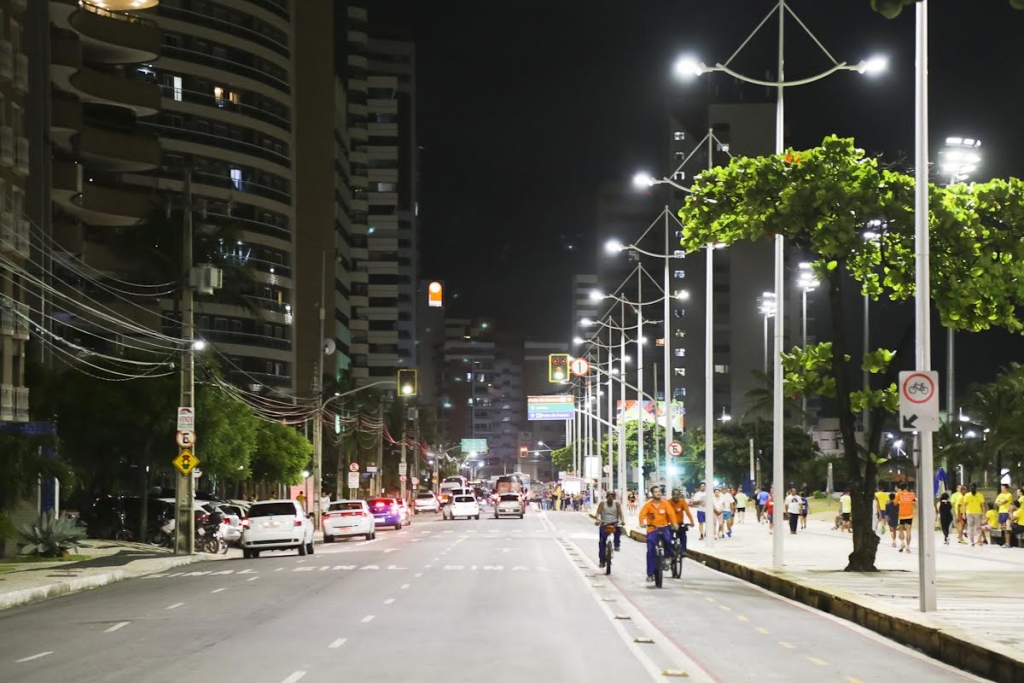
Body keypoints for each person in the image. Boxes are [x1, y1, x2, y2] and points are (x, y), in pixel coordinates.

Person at [638, 486, 679, 582]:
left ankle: (667, 558)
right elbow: (642, 515)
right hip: (652, 529)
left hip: (664, 528)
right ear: (652, 494)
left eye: (659, 491)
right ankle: (650, 573)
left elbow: (671, 514)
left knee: (669, 541)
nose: (658, 493)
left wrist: (675, 524)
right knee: (650, 550)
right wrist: (641, 523)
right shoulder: (648, 505)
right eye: (656, 492)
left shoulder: (665, 504)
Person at [595, 491, 624, 568]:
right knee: (602, 542)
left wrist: (623, 521)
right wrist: (597, 520)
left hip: (614, 523)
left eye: (612, 496)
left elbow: (621, 514)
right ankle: (601, 561)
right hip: (604, 524)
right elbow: (597, 513)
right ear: (606, 497)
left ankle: (617, 545)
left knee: (618, 531)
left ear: (614, 498)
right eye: (609, 496)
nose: (610, 498)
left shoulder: (617, 504)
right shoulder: (602, 504)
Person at [894, 482, 916, 553]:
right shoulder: (912, 494)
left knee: (900, 530)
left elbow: (895, 503)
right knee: (908, 531)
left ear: (900, 488)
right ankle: (908, 547)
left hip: (901, 515)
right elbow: (914, 502)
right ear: (906, 487)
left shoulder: (899, 495)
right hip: (909, 515)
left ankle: (902, 542)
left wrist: (900, 502)